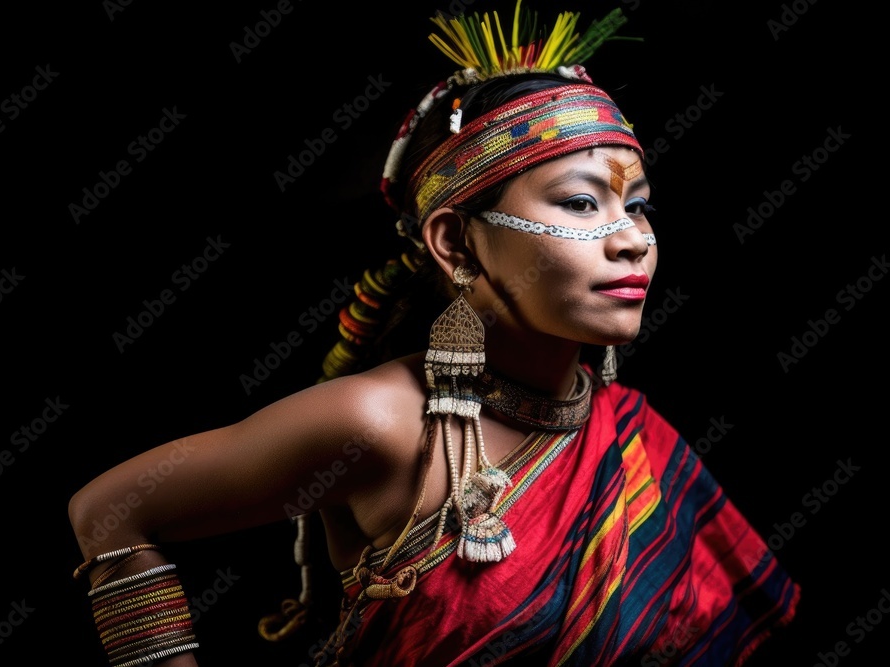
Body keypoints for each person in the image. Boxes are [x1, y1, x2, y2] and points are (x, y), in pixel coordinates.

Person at [67, 4, 800, 665]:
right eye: (580, 203)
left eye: (636, 206)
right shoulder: (378, 425)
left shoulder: (638, 438)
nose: (631, 239)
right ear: (454, 243)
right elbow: (109, 511)